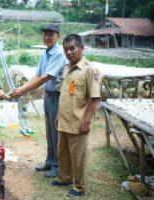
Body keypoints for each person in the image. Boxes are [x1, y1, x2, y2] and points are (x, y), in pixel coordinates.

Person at [10, 23, 67, 178]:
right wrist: (21, 88)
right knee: (49, 131)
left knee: (56, 132)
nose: (47, 37)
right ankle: (50, 160)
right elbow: (37, 75)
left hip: (58, 96)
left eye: (51, 34)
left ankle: (57, 165)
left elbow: (46, 77)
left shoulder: (60, 54)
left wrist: (23, 90)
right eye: (45, 34)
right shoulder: (46, 52)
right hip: (48, 96)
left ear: (58, 36)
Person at [51, 34, 100, 198]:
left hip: (78, 122)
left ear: (81, 48)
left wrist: (86, 121)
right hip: (64, 120)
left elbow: (94, 99)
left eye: (72, 48)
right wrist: (58, 114)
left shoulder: (90, 70)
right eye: (65, 49)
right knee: (63, 152)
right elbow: (65, 95)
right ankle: (64, 178)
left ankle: (80, 187)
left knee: (79, 157)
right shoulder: (67, 68)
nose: (69, 52)